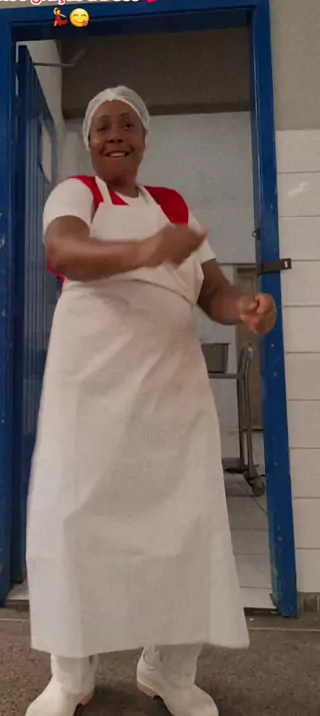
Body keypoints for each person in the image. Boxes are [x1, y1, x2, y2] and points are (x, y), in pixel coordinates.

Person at [25, 86, 277, 716]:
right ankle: (71, 675)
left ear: (144, 139)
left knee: (182, 530)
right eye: (103, 126)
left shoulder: (173, 206)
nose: (115, 134)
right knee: (76, 523)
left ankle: (169, 670)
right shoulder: (77, 194)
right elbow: (63, 250)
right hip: (91, 394)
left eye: (128, 124)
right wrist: (143, 252)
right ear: (90, 142)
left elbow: (211, 290)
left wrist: (243, 307)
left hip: (170, 393)